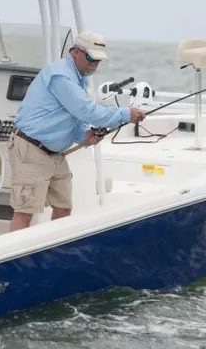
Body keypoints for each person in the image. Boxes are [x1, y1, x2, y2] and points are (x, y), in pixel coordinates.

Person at [8, 31, 146, 231]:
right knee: (24, 212)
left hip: (54, 153)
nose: (95, 64)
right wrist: (126, 114)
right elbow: (88, 112)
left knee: (64, 208)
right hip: (32, 149)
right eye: (91, 58)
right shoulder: (61, 77)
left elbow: (72, 116)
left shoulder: (78, 78)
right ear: (76, 52)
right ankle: (17, 251)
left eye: (98, 60)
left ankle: (56, 248)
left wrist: (84, 136)